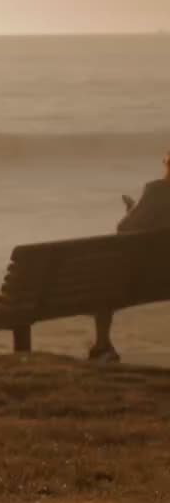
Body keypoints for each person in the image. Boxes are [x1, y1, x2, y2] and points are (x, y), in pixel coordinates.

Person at [94, 149, 170, 362]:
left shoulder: (157, 190)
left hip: (143, 279)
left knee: (101, 281)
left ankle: (102, 344)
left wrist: (131, 211)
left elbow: (124, 229)